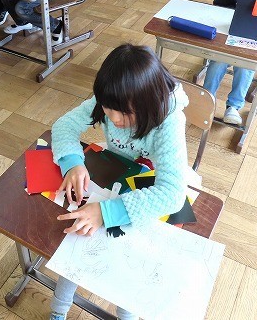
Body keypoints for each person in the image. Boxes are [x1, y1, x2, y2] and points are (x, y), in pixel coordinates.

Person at [49, 44, 189, 320]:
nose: (113, 119)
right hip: (112, 173)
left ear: (149, 103)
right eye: (107, 108)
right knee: (78, 242)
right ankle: (58, 310)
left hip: (147, 191)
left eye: (124, 113)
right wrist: (73, 163)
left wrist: (106, 212)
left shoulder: (169, 121)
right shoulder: (114, 99)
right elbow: (64, 126)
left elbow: (172, 194)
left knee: (130, 266)